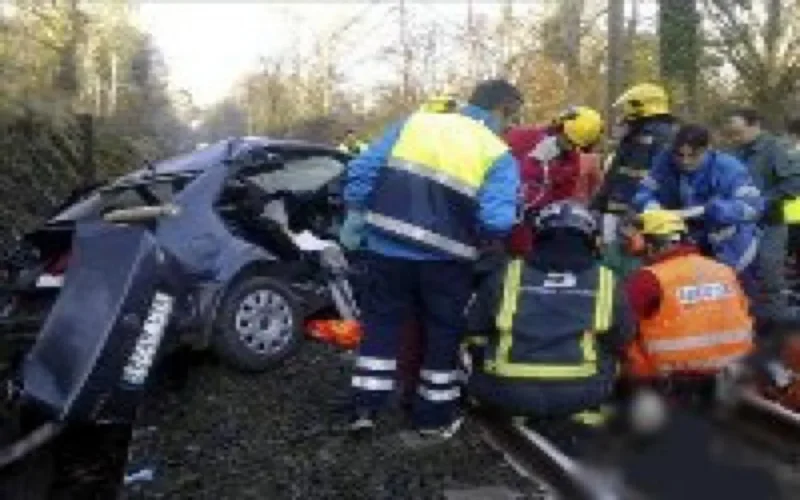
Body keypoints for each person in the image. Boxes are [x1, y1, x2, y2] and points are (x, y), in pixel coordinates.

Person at [340, 79, 523, 438]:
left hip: (387, 247)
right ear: (501, 109)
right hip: (447, 260)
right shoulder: (496, 153)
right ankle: (432, 417)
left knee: (381, 326)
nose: (512, 126)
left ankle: (364, 408)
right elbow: (497, 221)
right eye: (512, 117)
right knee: (442, 333)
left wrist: (360, 210)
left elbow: (362, 170)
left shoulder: (415, 123)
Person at [465, 201, 634, 441]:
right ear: (591, 239)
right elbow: (622, 336)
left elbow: (474, 329)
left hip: (506, 392)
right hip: (581, 394)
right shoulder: (607, 281)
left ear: (538, 235)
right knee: (611, 353)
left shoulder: (507, 273)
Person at [622, 210, 754, 379]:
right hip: (734, 368)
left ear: (650, 242)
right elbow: (745, 310)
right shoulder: (723, 270)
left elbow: (620, 323)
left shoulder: (648, 279)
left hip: (671, 375)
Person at [632, 124, 764, 283]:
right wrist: (652, 208)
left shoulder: (729, 168)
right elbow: (644, 192)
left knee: (733, 295)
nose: (685, 161)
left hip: (731, 250)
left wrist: (709, 210)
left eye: (693, 156)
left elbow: (753, 207)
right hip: (686, 246)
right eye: (680, 155)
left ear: (707, 149)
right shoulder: (665, 161)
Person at [724, 108, 800, 325]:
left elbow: (793, 184)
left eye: (739, 132)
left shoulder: (776, 148)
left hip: (770, 221)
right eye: (731, 134)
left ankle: (779, 327)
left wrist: (762, 201)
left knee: (769, 273)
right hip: (740, 225)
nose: (735, 138)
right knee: (741, 275)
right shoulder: (734, 152)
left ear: (755, 125)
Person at [504, 106, 605, 255]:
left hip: (531, 228)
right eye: (568, 141)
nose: (570, 148)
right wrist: (535, 161)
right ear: (559, 128)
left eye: (576, 146)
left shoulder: (571, 161)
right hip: (502, 215)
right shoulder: (521, 137)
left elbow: (561, 198)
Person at [593, 83, 678, 242]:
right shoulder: (635, 134)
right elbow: (615, 173)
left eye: (631, 106)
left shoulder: (661, 138)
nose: (626, 113)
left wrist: (599, 205)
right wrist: (598, 205)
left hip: (642, 217)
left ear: (645, 106)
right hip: (623, 213)